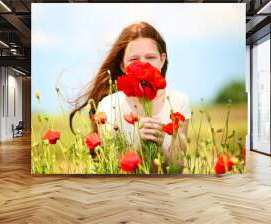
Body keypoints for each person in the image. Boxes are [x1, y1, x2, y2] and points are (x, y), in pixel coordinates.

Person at [69, 21, 191, 163]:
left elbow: (179, 167)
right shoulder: (108, 106)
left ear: (162, 60)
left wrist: (161, 144)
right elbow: (111, 168)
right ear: (122, 65)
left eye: (150, 57)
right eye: (134, 59)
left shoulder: (178, 102)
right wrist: (139, 146)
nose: (143, 64)